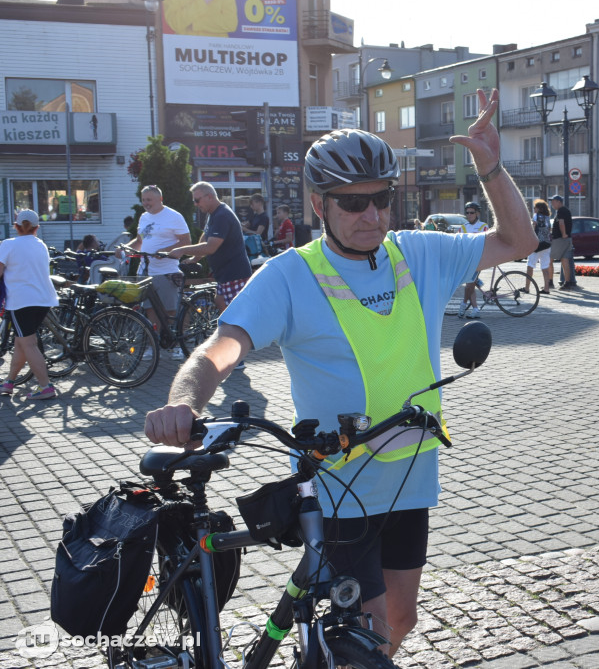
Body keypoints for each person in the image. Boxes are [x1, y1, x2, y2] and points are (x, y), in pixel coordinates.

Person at [145, 88, 536, 657]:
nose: (371, 215)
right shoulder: (289, 275)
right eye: (353, 203)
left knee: (400, 620)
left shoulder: (418, 253)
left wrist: (490, 166)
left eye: (381, 198)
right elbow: (222, 347)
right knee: (370, 631)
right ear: (318, 204)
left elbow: (519, 240)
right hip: (337, 484)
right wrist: (187, 400)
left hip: (409, 475)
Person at [170, 183, 252, 368]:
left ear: (209, 196)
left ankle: (238, 357)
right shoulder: (214, 214)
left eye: (197, 200)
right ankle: (233, 351)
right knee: (221, 304)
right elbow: (204, 239)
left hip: (234, 274)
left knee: (233, 317)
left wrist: (181, 250)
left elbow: (212, 246)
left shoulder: (222, 215)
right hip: (226, 274)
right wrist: (194, 258)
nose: (196, 204)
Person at [0, 210, 60, 400]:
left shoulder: (8, 244)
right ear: (36, 227)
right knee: (21, 342)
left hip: (21, 301)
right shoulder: (41, 245)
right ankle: (9, 382)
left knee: (28, 343)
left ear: (16, 226)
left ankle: (45, 386)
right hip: (44, 300)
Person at [131, 185, 191, 361]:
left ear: (160, 200)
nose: (146, 203)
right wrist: (126, 248)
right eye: (143, 200)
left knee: (170, 311)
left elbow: (186, 241)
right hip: (146, 271)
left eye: (149, 200)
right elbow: (140, 240)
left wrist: (165, 250)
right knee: (150, 310)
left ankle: (174, 344)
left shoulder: (173, 216)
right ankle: (154, 344)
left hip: (166, 271)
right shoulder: (143, 217)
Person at [457, 202, 489, 318]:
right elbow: (459, 244)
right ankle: (472, 308)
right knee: (470, 285)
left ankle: (465, 306)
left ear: (477, 213)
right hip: (466, 260)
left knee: (470, 285)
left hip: (477, 259)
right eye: (467, 213)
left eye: (472, 213)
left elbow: (486, 243)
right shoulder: (463, 228)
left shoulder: (483, 226)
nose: (469, 215)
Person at [524, 199, 553, 294]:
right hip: (547, 245)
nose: (534, 209)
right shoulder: (548, 217)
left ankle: (527, 288)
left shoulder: (536, 216)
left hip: (537, 244)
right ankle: (546, 288)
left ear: (539, 208)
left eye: (534, 207)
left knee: (530, 266)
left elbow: (533, 228)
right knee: (545, 267)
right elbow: (549, 229)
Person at [549, 195, 578, 290]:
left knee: (549, 259)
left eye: (553, 202)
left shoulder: (561, 211)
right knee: (564, 260)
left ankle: (550, 282)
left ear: (558, 202)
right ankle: (567, 282)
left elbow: (561, 223)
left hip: (560, 239)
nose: (552, 204)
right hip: (566, 239)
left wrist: (564, 233)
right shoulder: (565, 210)